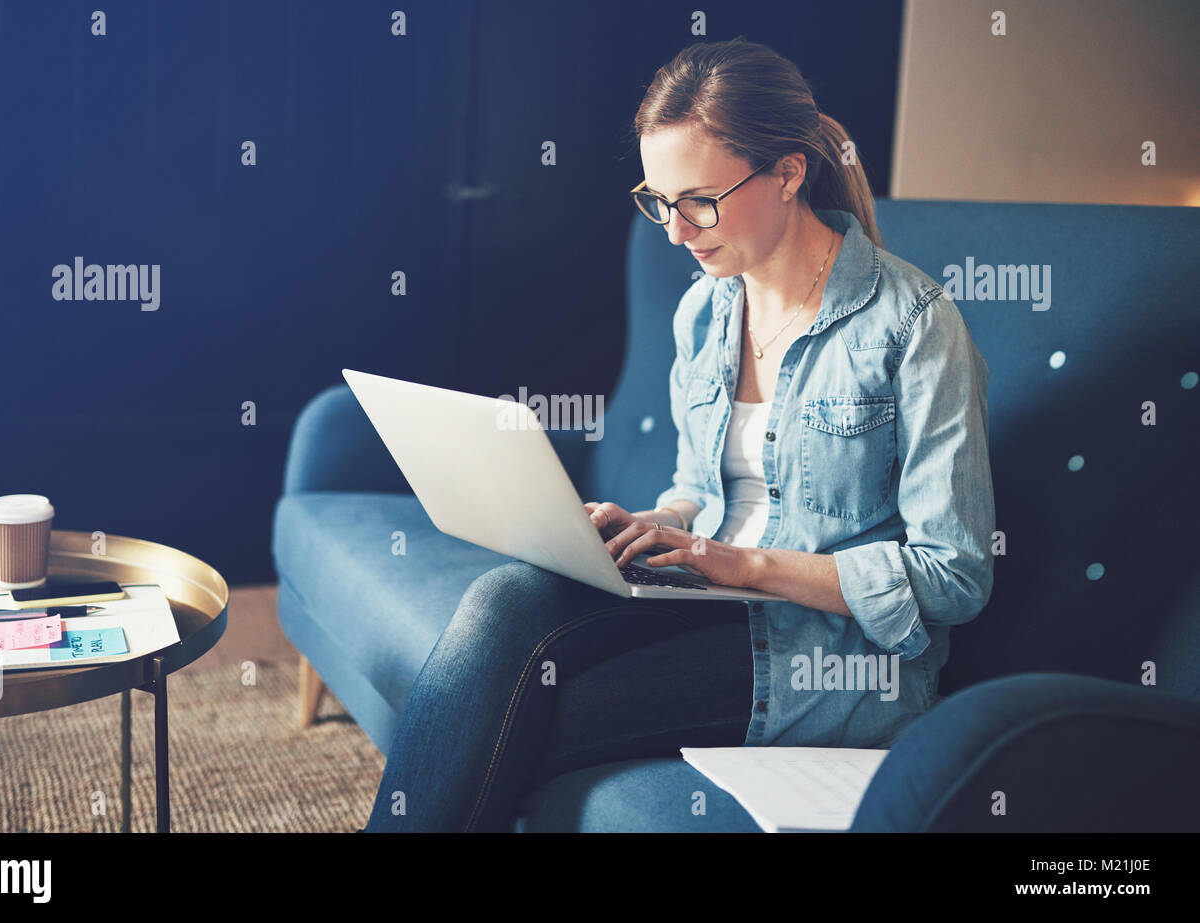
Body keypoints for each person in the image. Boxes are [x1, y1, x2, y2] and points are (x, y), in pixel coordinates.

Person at [364, 36, 994, 832]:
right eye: (658, 200)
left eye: (698, 199)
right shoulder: (707, 307)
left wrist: (745, 564)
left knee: (520, 717)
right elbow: (701, 493)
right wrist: (655, 528)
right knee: (503, 599)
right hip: (709, 595)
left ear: (790, 171)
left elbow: (955, 574)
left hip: (831, 657)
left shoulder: (914, 324)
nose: (674, 230)